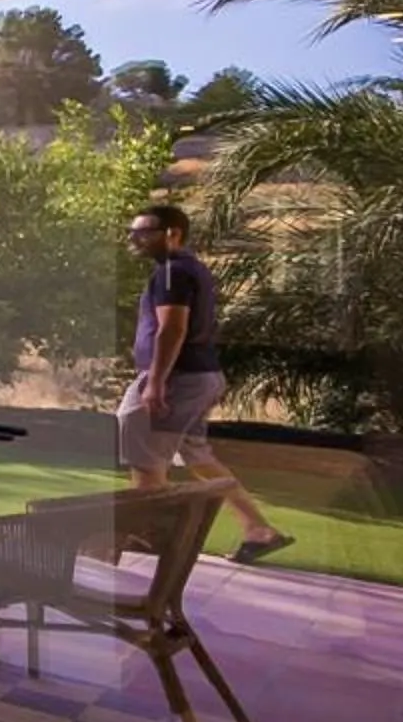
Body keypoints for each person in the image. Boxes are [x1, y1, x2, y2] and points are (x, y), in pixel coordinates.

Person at [119, 204, 292, 563]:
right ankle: (259, 530)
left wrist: (155, 382)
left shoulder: (170, 273)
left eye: (144, 231)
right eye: (132, 231)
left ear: (172, 234)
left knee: (145, 454)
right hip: (201, 377)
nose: (134, 237)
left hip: (178, 379)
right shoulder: (189, 268)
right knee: (197, 456)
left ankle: (152, 534)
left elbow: (173, 328)